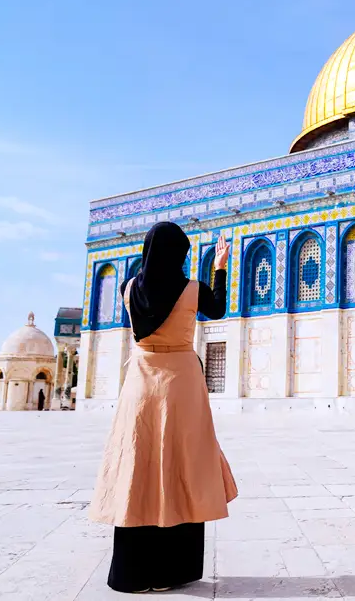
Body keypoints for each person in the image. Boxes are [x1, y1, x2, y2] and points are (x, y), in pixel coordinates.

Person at [89, 222, 238, 594]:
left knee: (139, 467)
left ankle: (133, 574)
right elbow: (217, 310)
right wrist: (220, 266)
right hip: (181, 386)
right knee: (181, 464)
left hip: (140, 383)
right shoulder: (192, 290)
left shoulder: (127, 290)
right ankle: (173, 570)